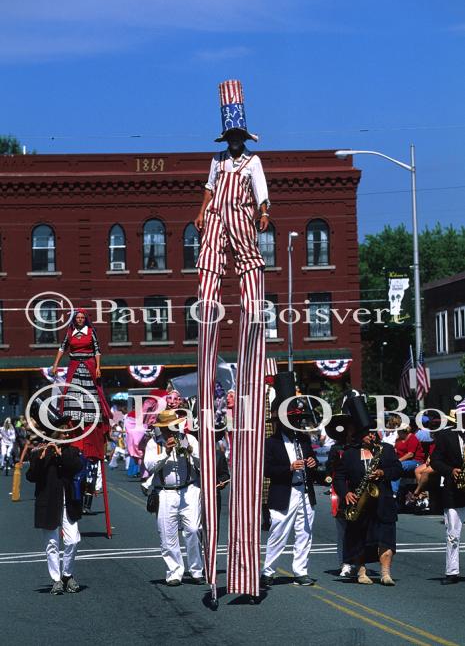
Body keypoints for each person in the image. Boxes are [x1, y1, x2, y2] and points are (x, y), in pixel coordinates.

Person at [195, 80, 270, 597]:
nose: (236, 144)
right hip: (220, 220)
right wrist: (202, 214)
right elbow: (205, 195)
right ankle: (211, 301)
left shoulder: (251, 167)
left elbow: (264, 197)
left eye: (240, 136)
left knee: (247, 262)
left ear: (248, 136)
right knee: (212, 257)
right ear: (226, 139)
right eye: (232, 138)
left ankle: (248, 304)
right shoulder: (218, 166)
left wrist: (262, 214)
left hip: (242, 220)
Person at [51, 308, 112, 513]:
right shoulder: (69, 333)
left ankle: (92, 412)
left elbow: (97, 349)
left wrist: (98, 366)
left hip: (88, 363)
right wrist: (55, 364)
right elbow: (62, 348)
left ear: (85, 319)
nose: (79, 320)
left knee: (92, 392)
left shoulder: (90, 332)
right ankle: (73, 414)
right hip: (75, 364)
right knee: (71, 393)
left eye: (81, 318)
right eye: (76, 318)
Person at [260, 402, 318, 588]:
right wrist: (289, 467)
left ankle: (301, 571)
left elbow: (314, 461)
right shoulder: (271, 442)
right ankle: (268, 571)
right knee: (278, 531)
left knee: (305, 532)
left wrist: (312, 462)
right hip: (285, 490)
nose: (295, 423)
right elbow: (267, 470)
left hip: (305, 490)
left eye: (296, 420)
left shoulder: (304, 439)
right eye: (291, 420)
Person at [143, 410, 203, 587]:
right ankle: (174, 572)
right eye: (166, 428)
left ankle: (196, 570)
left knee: (193, 529)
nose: (170, 431)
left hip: (189, 489)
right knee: (167, 534)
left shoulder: (189, 439)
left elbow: (203, 464)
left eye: (172, 426)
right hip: (165, 492)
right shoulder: (154, 443)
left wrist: (191, 451)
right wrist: (166, 453)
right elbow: (150, 467)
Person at [334, 429, 402, 586]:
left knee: (386, 537)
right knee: (359, 537)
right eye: (367, 433)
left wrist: (382, 472)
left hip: (383, 501)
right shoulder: (350, 453)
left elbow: (397, 470)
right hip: (360, 502)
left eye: (373, 432)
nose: (372, 436)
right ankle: (361, 571)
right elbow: (339, 477)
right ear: (359, 436)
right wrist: (346, 493)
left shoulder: (386, 449)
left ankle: (385, 573)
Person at [26, 417, 83, 595]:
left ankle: (67, 574)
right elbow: (31, 476)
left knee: (73, 539)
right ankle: (56, 579)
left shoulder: (71, 451)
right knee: (52, 543)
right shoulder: (39, 451)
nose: (67, 434)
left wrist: (60, 455)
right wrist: (42, 458)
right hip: (48, 501)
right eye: (64, 431)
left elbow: (76, 467)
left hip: (68, 501)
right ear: (54, 432)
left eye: (68, 432)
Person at [430, 410, 465, 584]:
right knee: (453, 534)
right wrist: (451, 471)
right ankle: (452, 572)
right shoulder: (446, 436)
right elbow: (435, 460)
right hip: (454, 490)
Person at [391, 426, 425, 497]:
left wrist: (397, 461)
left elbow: (410, 454)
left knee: (398, 466)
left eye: (398, 431)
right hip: (403, 461)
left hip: (416, 461)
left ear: (403, 432)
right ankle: (392, 491)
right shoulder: (398, 439)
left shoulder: (412, 438)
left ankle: (394, 492)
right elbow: (396, 450)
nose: (397, 433)